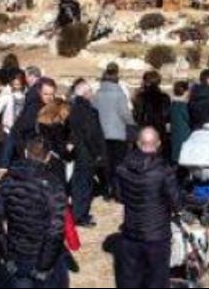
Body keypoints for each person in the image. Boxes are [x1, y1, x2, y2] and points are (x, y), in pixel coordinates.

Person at [0, 137, 69, 288]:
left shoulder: (8, 179)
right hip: (36, 254)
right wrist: (44, 266)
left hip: (16, 250)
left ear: (26, 153)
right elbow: (56, 230)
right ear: (48, 157)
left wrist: (6, 253)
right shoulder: (53, 185)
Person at [114, 127, 181, 289]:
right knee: (157, 279)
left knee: (131, 278)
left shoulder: (122, 167)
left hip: (132, 232)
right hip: (156, 236)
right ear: (157, 144)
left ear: (138, 143)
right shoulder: (163, 170)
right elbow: (177, 202)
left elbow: (119, 196)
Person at [68, 79, 107, 227]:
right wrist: (97, 152)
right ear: (85, 93)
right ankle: (80, 216)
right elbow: (91, 134)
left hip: (79, 150)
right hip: (87, 152)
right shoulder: (88, 110)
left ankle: (79, 213)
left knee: (80, 183)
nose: (92, 93)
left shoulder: (74, 107)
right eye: (90, 91)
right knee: (85, 185)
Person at [93, 63, 135, 200]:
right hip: (117, 134)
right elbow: (125, 114)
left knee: (106, 165)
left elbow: (94, 112)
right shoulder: (120, 94)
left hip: (102, 134)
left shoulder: (97, 94)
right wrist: (132, 123)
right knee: (119, 165)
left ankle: (107, 190)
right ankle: (118, 193)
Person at [133, 70, 172, 151]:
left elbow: (137, 115)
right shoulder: (164, 97)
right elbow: (167, 116)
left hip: (144, 129)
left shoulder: (140, 97)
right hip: (159, 130)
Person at [169, 80, 192, 165]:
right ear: (186, 92)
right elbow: (189, 119)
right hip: (184, 133)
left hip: (175, 133)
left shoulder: (173, 105)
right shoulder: (183, 106)